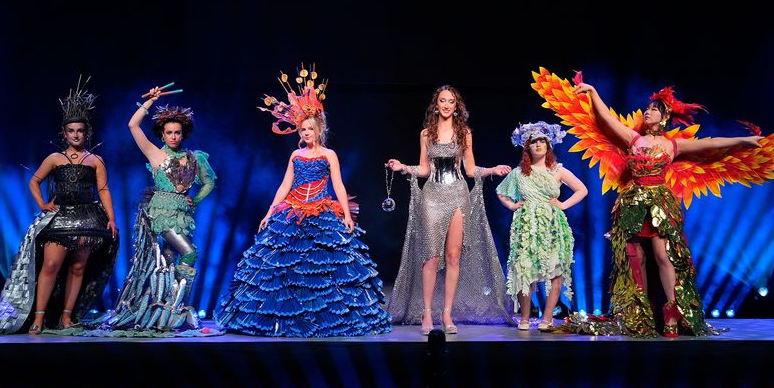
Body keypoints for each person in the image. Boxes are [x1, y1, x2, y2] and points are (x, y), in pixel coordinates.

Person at [531, 68, 774, 337]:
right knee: (633, 257)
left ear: (663, 118)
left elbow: (711, 144)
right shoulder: (633, 139)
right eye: (647, 108)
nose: (647, 112)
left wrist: (744, 140)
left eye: (653, 109)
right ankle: (638, 314)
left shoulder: (673, 146)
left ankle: (672, 311)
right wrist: (593, 91)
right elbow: (604, 119)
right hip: (633, 203)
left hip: (660, 203)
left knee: (663, 255)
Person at [0, 78, 119, 335]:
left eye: (80, 131)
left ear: (86, 132)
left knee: (78, 267)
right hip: (59, 218)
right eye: (71, 131)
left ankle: (67, 317)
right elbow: (35, 181)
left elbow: (103, 189)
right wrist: (42, 204)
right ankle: (37, 317)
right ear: (65, 133)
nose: (76, 135)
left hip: (87, 218)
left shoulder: (95, 160)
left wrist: (111, 219)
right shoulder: (55, 158)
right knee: (50, 266)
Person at [216, 65, 391, 337]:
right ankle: (286, 321)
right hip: (293, 211)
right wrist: (269, 212)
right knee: (286, 267)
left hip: (321, 210)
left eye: (310, 128)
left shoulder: (329, 154)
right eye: (302, 129)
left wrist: (346, 215)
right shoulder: (296, 156)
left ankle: (323, 320)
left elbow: (338, 186)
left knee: (322, 269)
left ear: (319, 129)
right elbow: (285, 185)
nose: (306, 132)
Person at [386, 85, 513, 334]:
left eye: (451, 102)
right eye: (442, 101)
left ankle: (446, 314)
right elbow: (424, 170)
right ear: (436, 104)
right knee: (431, 257)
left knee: (453, 257)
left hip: (457, 194)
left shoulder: (464, 133)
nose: (446, 105)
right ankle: (426, 313)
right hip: (432, 196)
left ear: (457, 107)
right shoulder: (426, 134)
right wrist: (403, 167)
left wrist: (490, 171)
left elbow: (469, 169)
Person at [94, 84, 216, 333]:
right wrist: (150, 100)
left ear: (183, 134)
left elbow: (209, 182)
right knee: (190, 253)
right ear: (162, 134)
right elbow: (132, 126)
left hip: (183, 215)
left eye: (177, 132)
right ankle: (179, 305)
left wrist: (197, 199)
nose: (173, 136)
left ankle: (163, 311)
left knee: (169, 261)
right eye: (169, 132)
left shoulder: (194, 158)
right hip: (161, 213)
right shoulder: (155, 154)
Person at [496, 121, 587, 331]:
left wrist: (563, 205)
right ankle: (526, 318)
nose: (538, 145)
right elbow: (501, 191)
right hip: (527, 226)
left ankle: (547, 319)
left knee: (555, 270)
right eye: (534, 141)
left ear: (548, 145)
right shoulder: (519, 173)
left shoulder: (558, 171)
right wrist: (512, 205)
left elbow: (582, 190)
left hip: (553, 226)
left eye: (542, 141)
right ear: (527, 147)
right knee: (524, 269)